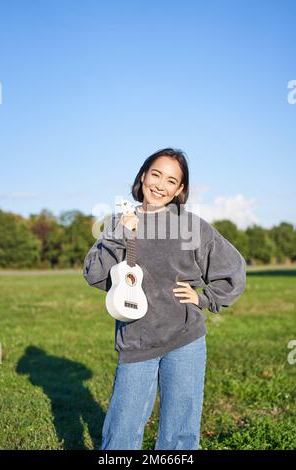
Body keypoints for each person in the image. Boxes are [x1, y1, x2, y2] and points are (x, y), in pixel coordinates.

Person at [83, 147, 247, 450]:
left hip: (185, 339)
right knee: (122, 431)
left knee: (180, 435)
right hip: (136, 339)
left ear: (180, 189)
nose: (160, 185)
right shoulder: (121, 221)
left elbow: (232, 268)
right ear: (143, 175)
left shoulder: (191, 225)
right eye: (156, 174)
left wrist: (205, 298)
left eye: (172, 181)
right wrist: (118, 234)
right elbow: (94, 273)